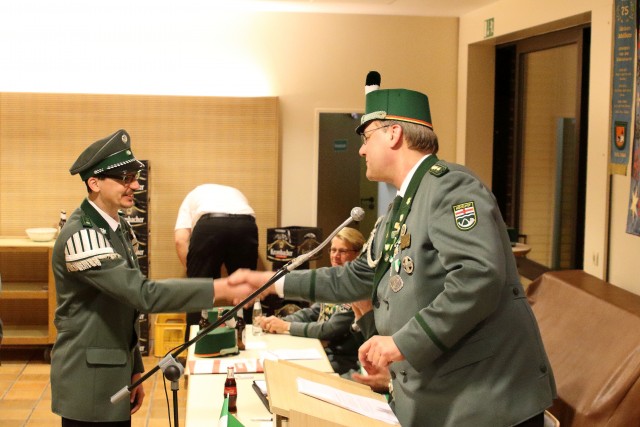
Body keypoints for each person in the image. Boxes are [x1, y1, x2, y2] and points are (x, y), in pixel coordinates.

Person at [229, 79, 556, 426]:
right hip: (441, 394)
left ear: (394, 134)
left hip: (488, 400)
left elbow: (478, 277)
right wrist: (273, 283)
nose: (361, 150)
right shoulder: (399, 210)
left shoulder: (451, 187)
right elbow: (355, 278)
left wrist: (402, 343)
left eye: (366, 137)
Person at [51, 129, 253, 427]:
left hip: (113, 370)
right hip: (89, 380)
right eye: (125, 178)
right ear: (94, 183)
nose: (135, 185)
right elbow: (142, 294)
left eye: (134, 177)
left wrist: (133, 367)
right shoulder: (82, 235)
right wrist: (219, 288)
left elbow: (124, 310)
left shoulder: (117, 228)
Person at [259, 227, 365, 375]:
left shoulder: (356, 289)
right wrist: (277, 322)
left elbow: (330, 329)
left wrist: (286, 326)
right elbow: (312, 313)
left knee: (289, 372)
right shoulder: (333, 284)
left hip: (342, 360)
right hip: (322, 350)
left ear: (358, 254)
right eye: (333, 250)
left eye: (342, 251)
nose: (335, 256)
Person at [174, 183, 258, 338]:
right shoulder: (235, 192)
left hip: (210, 223)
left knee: (198, 292)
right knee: (244, 290)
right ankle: (246, 341)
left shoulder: (191, 197)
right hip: (246, 224)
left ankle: (195, 345)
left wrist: (195, 274)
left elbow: (180, 240)